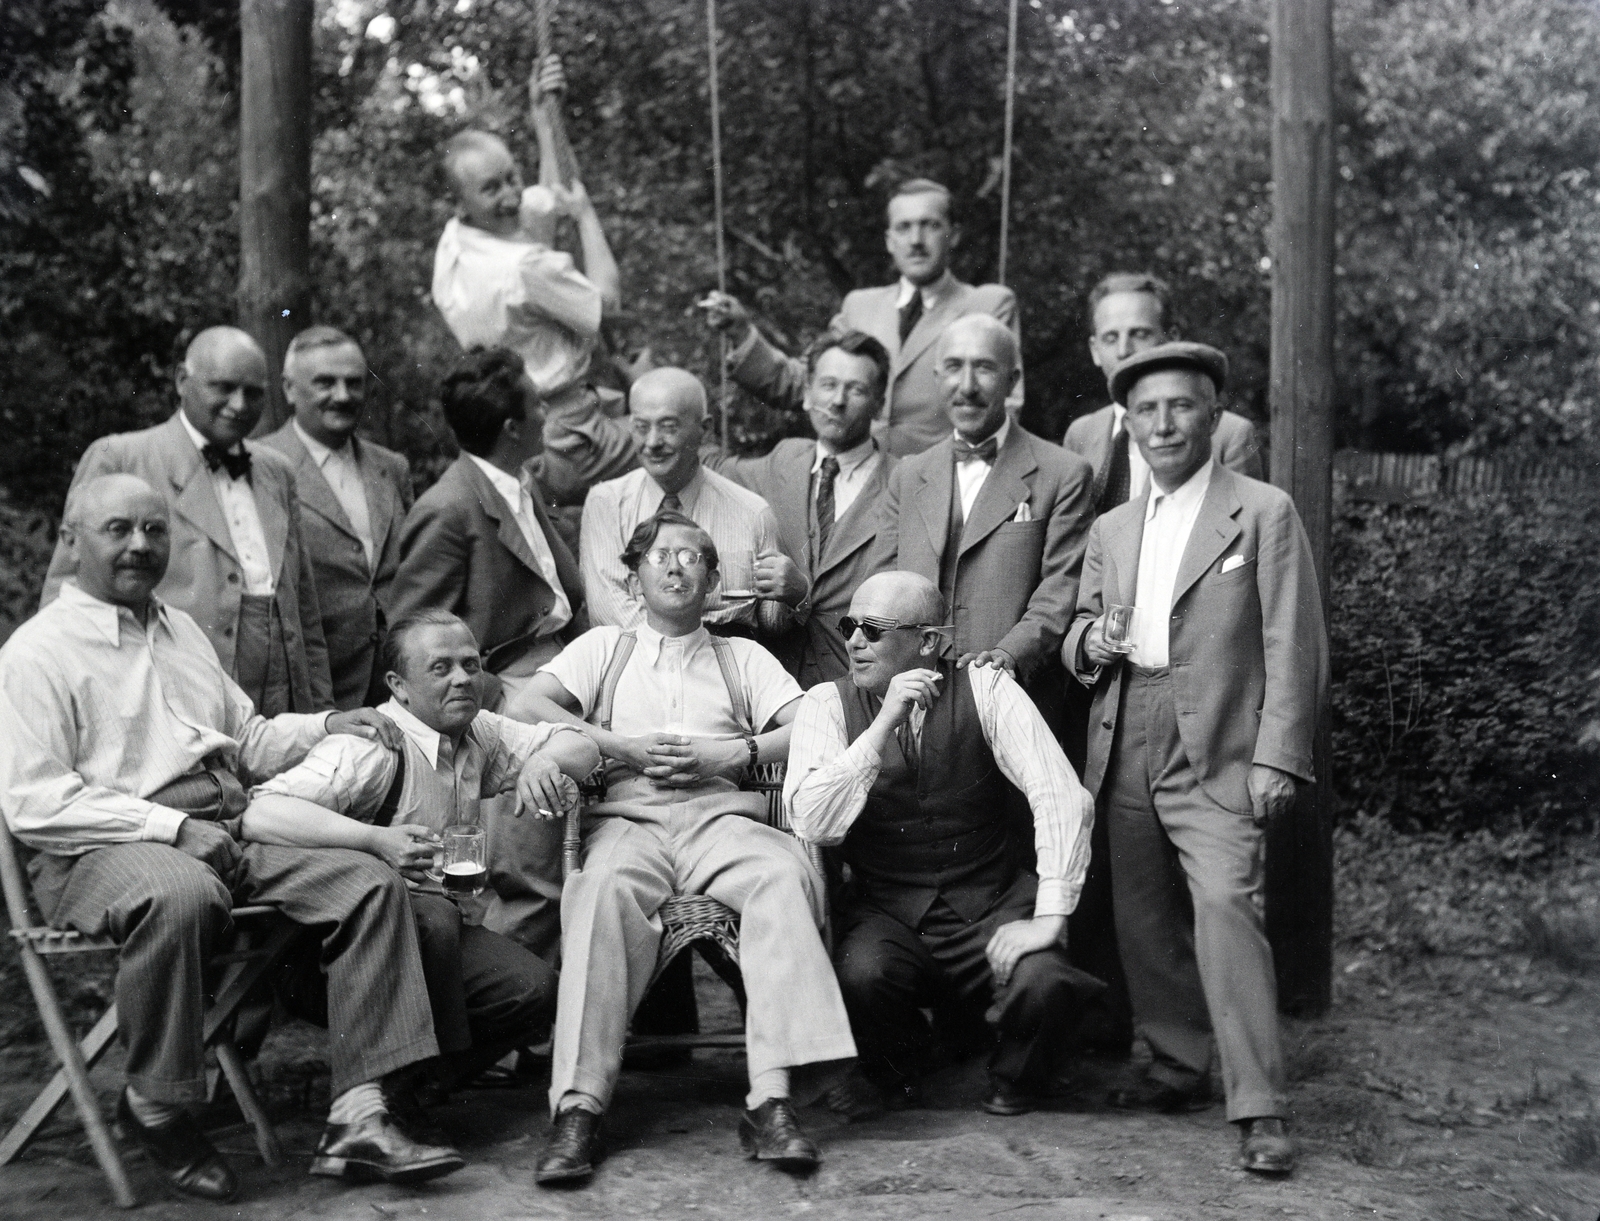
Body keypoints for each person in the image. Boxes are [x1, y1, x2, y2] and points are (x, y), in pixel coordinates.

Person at [0, 474, 464, 1200]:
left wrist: (326, 724)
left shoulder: (178, 629)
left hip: (223, 830)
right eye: (118, 529)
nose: (140, 545)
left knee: (368, 882)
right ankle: (153, 1100)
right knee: (184, 891)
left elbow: (244, 736)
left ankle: (359, 1117)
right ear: (70, 540)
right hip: (100, 849)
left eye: (155, 530)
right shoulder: (37, 653)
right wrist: (170, 826)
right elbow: (35, 802)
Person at [511, 512, 856, 1186]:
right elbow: (528, 706)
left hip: (722, 815)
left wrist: (734, 750)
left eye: (694, 556)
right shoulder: (602, 649)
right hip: (628, 820)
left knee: (783, 874)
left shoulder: (742, 656)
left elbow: (815, 721)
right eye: (661, 556)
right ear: (634, 577)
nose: (676, 567)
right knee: (599, 891)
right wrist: (621, 747)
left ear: (713, 580)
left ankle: (771, 1097)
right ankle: (579, 1108)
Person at [1063, 342, 1328, 1176]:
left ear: (1214, 417)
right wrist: (1091, 638)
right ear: (1129, 424)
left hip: (1219, 736)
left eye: (1181, 406)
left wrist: (1279, 754)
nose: (1164, 422)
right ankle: (1178, 1060)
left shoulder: (1263, 510)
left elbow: (1295, 640)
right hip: (1128, 727)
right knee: (1143, 911)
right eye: (1147, 410)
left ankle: (1260, 1105)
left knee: (1223, 902)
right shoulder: (1111, 525)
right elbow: (1076, 634)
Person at [243, 611, 600, 1112]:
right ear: (398, 685)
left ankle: (417, 1085)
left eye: (471, 665)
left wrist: (546, 761)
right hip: (330, 953)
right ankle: (403, 1091)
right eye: (440, 668)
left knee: (532, 990)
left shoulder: (478, 732)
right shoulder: (370, 747)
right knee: (433, 919)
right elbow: (260, 812)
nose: (462, 679)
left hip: (436, 933)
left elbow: (582, 746)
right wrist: (372, 840)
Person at [786, 571, 1101, 1116]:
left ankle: (1016, 1077)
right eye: (848, 626)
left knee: (1044, 980)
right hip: (890, 913)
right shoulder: (826, 704)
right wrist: (882, 724)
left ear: (929, 642)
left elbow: (1060, 796)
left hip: (991, 903)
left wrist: (1048, 916)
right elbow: (813, 822)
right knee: (862, 974)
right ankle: (900, 1071)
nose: (854, 642)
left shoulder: (987, 687)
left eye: (873, 629)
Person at [388, 346, 585, 958]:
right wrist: (493, 694)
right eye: (537, 402)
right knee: (528, 879)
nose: (547, 412)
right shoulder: (450, 507)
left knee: (576, 859)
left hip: (557, 679)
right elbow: (411, 636)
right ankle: (510, 1028)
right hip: (502, 698)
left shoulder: (516, 487)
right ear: (512, 428)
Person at [42, 326, 333, 714]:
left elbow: (305, 610)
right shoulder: (121, 457)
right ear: (182, 380)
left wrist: (321, 713)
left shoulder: (276, 472)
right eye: (223, 387)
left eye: (253, 392)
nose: (239, 404)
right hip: (170, 700)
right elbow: (64, 592)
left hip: (284, 704)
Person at [431, 55, 636, 501]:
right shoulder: (523, 268)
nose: (509, 196)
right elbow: (609, 303)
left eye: (512, 179)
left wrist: (544, 118)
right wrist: (584, 216)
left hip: (521, 430)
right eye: (492, 188)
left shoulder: (456, 243)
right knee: (679, 444)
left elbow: (545, 201)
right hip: (570, 435)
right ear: (462, 201)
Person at [701, 177, 1023, 457]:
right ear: (889, 241)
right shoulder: (860, 306)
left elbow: (1006, 407)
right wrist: (741, 333)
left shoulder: (987, 305)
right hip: (861, 486)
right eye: (904, 227)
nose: (916, 241)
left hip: (944, 492)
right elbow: (806, 385)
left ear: (953, 235)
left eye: (930, 225)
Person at [870, 315, 1093, 688]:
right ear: (937, 377)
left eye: (985, 368)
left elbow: (1060, 590)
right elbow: (881, 583)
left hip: (1013, 689)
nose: (967, 386)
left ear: (1013, 380)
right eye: (955, 367)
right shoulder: (908, 475)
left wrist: (1008, 655)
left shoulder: (1064, 473)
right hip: (915, 687)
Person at [708, 331, 896, 686]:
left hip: (860, 692)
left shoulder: (902, 483)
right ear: (808, 393)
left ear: (879, 402)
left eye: (855, 389)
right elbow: (707, 468)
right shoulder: (784, 460)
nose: (837, 401)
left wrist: (802, 595)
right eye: (828, 385)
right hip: (774, 693)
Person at [579, 368, 807, 641]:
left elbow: (771, 624)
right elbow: (608, 612)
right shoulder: (606, 503)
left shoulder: (752, 514)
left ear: (705, 429)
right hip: (637, 669)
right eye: (641, 427)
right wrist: (692, 658)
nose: (652, 442)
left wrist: (795, 595)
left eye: (668, 427)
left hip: (726, 674)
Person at [259, 326, 414, 709]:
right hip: (319, 686)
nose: (343, 396)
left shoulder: (391, 467)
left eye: (354, 383)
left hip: (398, 683)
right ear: (290, 389)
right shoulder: (261, 465)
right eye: (325, 383)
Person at [1063, 273, 1261, 515]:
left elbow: (1242, 532)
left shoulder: (1229, 435)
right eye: (1111, 338)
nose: (1124, 351)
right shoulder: (1081, 434)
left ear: (1172, 339)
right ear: (1095, 350)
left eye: (1140, 334)